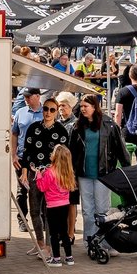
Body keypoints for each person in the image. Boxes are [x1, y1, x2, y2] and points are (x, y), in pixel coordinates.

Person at [70, 94, 130, 256]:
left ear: (95, 107)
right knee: (88, 211)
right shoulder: (77, 126)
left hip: (103, 174)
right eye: (81, 106)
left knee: (102, 210)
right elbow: (71, 151)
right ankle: (90, 241)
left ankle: (105, 242)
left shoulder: (109, 124)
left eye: (85, 106)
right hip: (84, 175)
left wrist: (127, 170)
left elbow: (121, 150)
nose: (82, 109)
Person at [21, 96, 71, 255]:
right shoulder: (33, 127)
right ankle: (40, 243)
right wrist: (24, 171)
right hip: (34, 174)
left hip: (52, 177)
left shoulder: (61, 131)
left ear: (56, 112)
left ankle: (49, 247)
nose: (48, 112)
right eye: (45, 109)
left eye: (52, 110)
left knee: (49, 212)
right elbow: (26, 152)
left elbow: (64, 156)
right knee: (34, 210)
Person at [36, 144, 77, 267]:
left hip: (52, 206)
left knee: (53, 233)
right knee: (64, 232)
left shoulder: (49, 172)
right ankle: (69, 257)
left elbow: (42, 187)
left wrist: (38, 175)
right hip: (65, 205)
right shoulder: (68, 173)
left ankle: (56, 258)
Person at [10, 88, 43, 235]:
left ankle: (41, 219)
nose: (26, 99)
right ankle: (22, 220)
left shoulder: (46, 112)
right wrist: (13, 154)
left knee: (40, 190)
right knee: (21, 191)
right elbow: (14, 133)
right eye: (25, 97)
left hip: (40, 160)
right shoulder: (20, 112)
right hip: (22, 158)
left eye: (29, 97)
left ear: (37, 96)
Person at [55, 92, 80, 241]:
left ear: (71, 107)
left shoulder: (75, 124)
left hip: (71, 169)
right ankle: (61, 231)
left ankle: (71, 233)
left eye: (63, 105)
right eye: (59, 105)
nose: (60, 108)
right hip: (57, 169)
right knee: (60, 202)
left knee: (71, 202)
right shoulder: (57, 123)